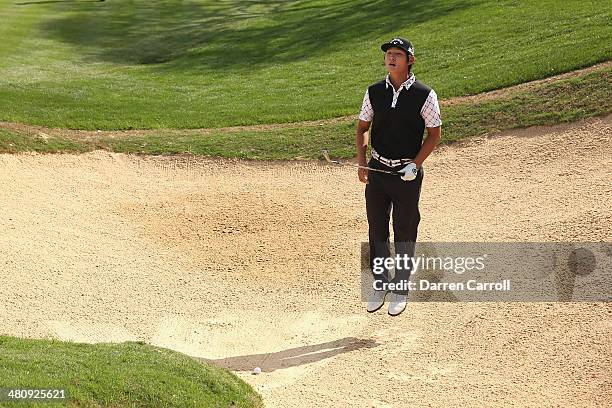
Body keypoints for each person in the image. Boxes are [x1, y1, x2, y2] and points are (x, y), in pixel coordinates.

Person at [356, 37, 442, 316]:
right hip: (378, 171)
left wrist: (415, 165)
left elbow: (434, 135)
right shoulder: (373, 92)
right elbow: (362, 129)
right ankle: (380, 283)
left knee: (404, 231)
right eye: (388, 54)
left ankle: (401, 287)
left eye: (397, 54)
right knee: (377, 229)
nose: (391, 58)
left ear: (410, 60)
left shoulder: (424, 94)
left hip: (407, 174)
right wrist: (362, 162)